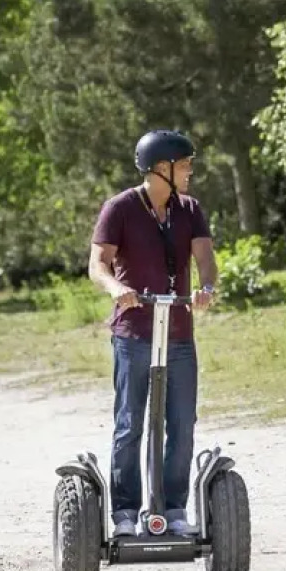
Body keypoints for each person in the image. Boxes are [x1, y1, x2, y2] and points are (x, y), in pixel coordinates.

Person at [88, 129, 218, 537]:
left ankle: (173, 509)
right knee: (130, 423)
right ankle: (126, 513)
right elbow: (98, 264)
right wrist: (117, 289)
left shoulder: (189, 209)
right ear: (162, 169)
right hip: (133, 332)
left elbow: (205, 260)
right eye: (185, 165)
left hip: (178, 332)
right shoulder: (120, 208)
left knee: (181, 423)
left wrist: (206, 289)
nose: (190, 172)